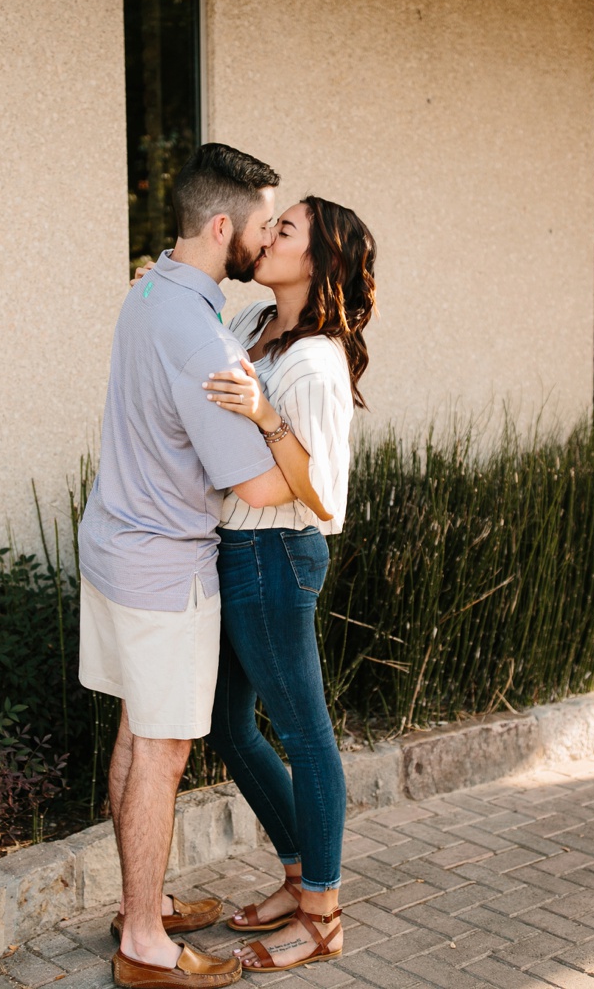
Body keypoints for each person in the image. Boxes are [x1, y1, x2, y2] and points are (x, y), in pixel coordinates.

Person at [78, 143, 299, 989]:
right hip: (165, 571)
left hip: (116, 548)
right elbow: (255, 480)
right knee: (162, 751)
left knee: (139, 731)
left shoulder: (151, 290)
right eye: (260, 226)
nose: (267, 238)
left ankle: (148, 902)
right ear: (220, 226)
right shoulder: (197, 334)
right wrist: (291, 433)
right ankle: (144, 943)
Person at [192, 196, 377, 972]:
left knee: (303, 732)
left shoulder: (315, 361)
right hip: (234, 546)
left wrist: (267, 415)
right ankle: (300, 875)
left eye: (286, 228)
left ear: (320, 259)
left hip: (277, 553)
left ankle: (324, 914)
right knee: (232, 728)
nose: (268, 237)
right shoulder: (250, 327)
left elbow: (321, 492)